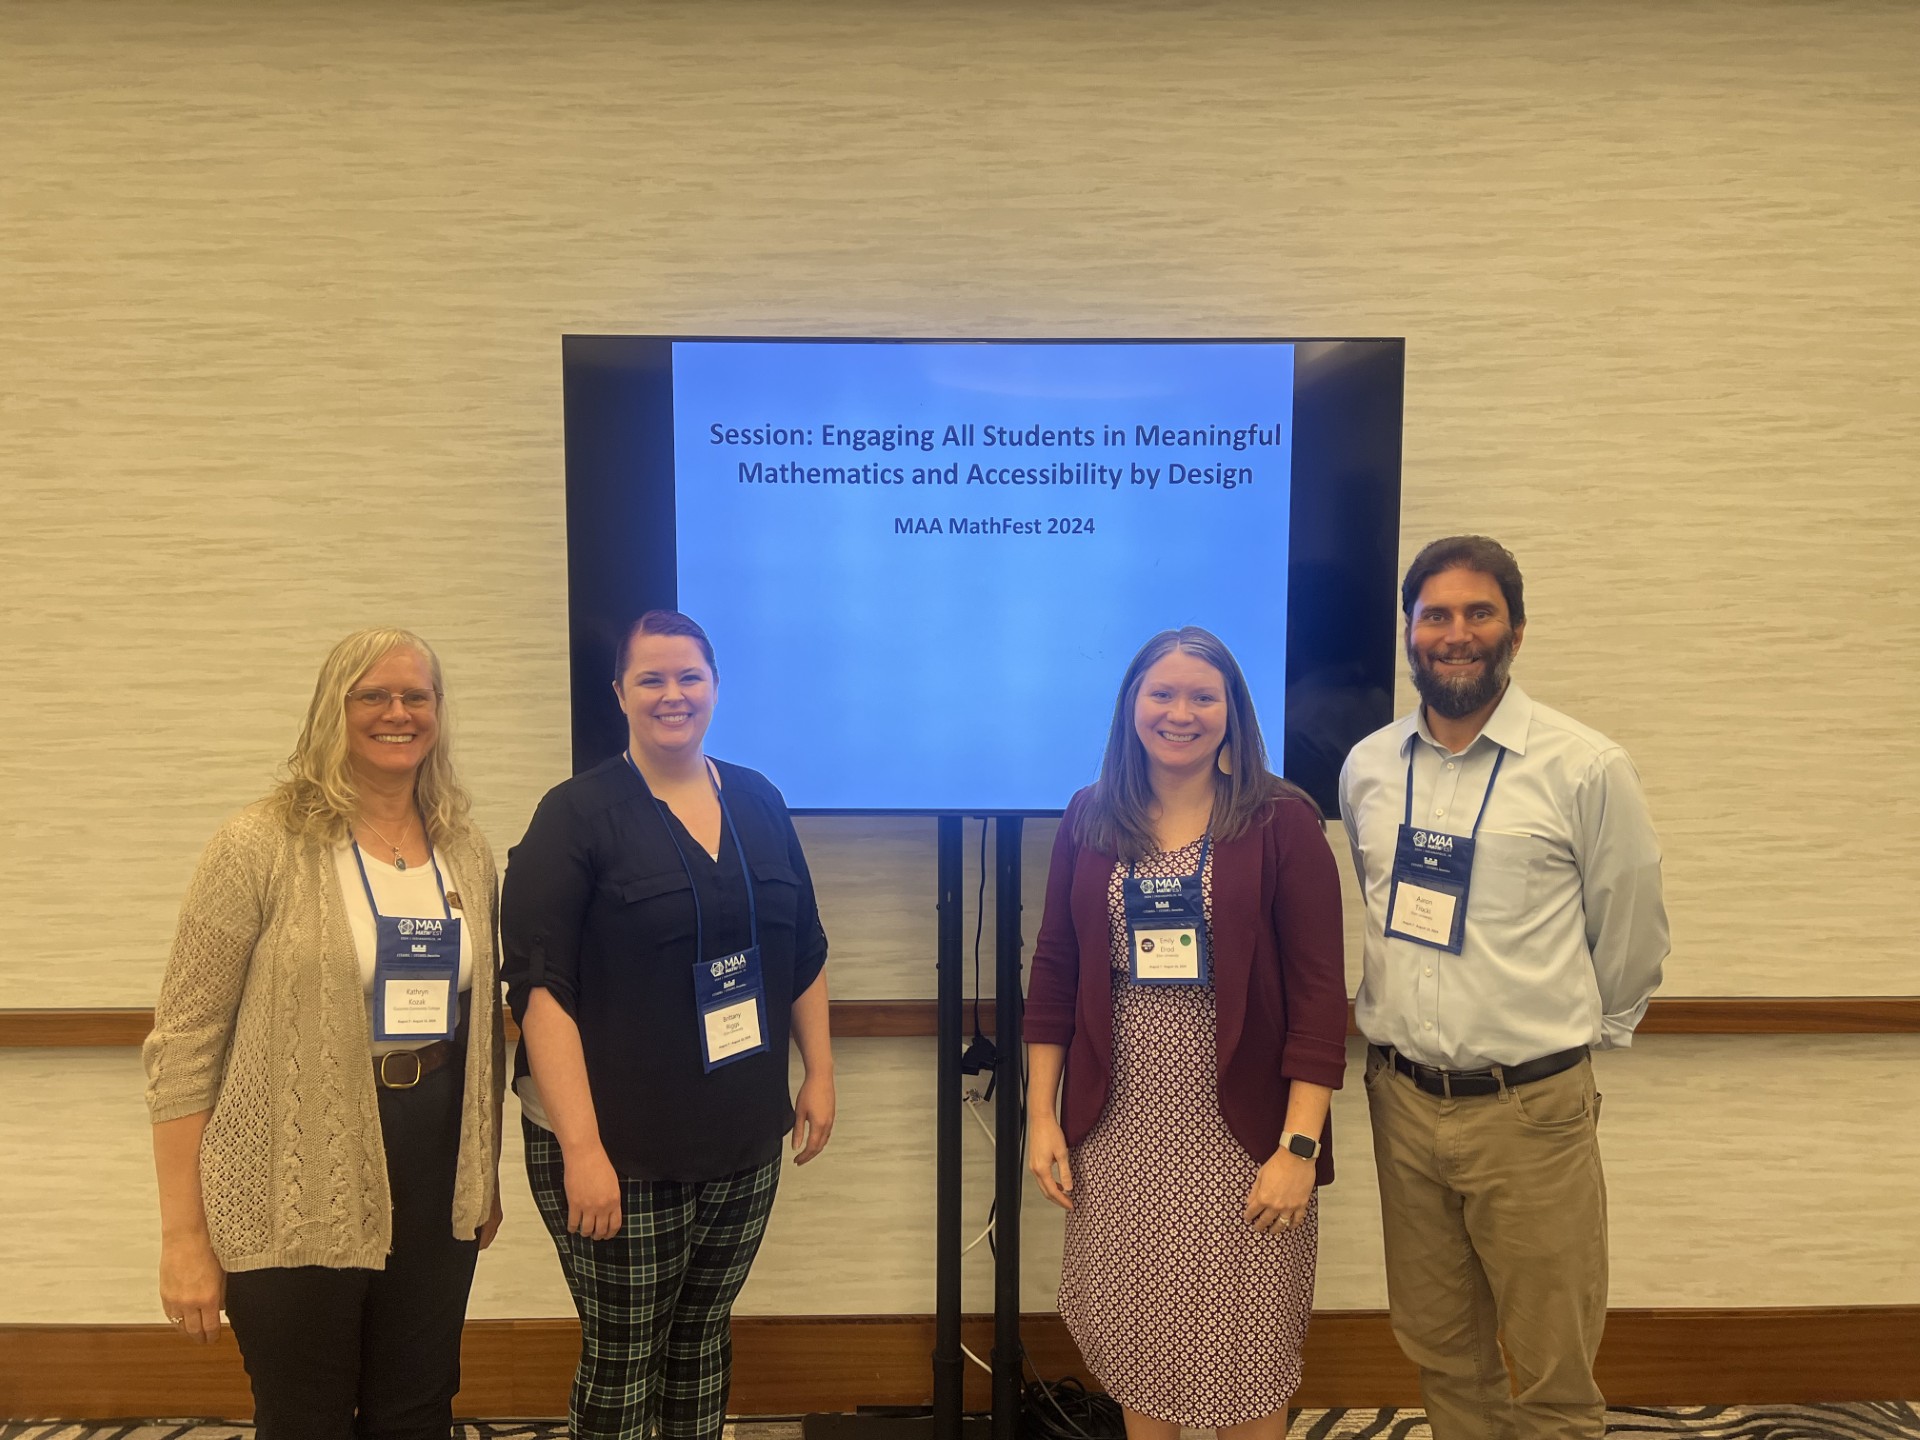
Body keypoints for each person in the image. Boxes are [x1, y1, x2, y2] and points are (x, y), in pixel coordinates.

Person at [1339, 536, 1669, 1440]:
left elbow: (1632, 935)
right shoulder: (1368, 766)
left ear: (1516, 630)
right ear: (1408, 632)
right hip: (1401, 1103)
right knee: (1443, 1350)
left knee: (1553, 1367)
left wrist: (1560, 1040)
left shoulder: (1585, 767)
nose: (1456, 633)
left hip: (1531, 1112)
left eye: (1478, 612)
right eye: (1434, 614)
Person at [144, 628, 505, 1440]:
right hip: (290, 1162)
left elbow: (481, 1025)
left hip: (435, 1153)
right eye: (372, 695)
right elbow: (183, 1044)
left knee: (417, 1408)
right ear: (331, 711)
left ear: (439, 715)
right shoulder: (257, 845)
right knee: (305, 1415)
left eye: (417, 696)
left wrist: (484, 1172)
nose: (397, 713)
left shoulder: (466, 851)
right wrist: (182, 1236)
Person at [501, 609, 835, 1440]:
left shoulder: (758, 798)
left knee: (700, 1347)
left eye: (689, 676)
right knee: (624, 1359)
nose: (672, 694)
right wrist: (582, 1151)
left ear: (715, 687)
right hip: (619, 1149)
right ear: (619, 693)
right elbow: (539, 994)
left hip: (742, 1140)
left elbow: (805, 948)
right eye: (651, 678)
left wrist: (820, 1073)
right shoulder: (573, 816)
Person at [1025, 626, 1349, 1440]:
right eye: (1161, 694)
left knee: (1247, 1360)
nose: (1181, 713)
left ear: (1232, 712)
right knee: (1143, 1355)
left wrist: (1299, 1150)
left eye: (1203, 696)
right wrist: (1041, 1116)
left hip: (1246, 1141)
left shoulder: (1282, 822)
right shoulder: (1091, 816)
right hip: (1122, 1134)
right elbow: (1056, 970)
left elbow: (1320, 999)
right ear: (1131, 707)